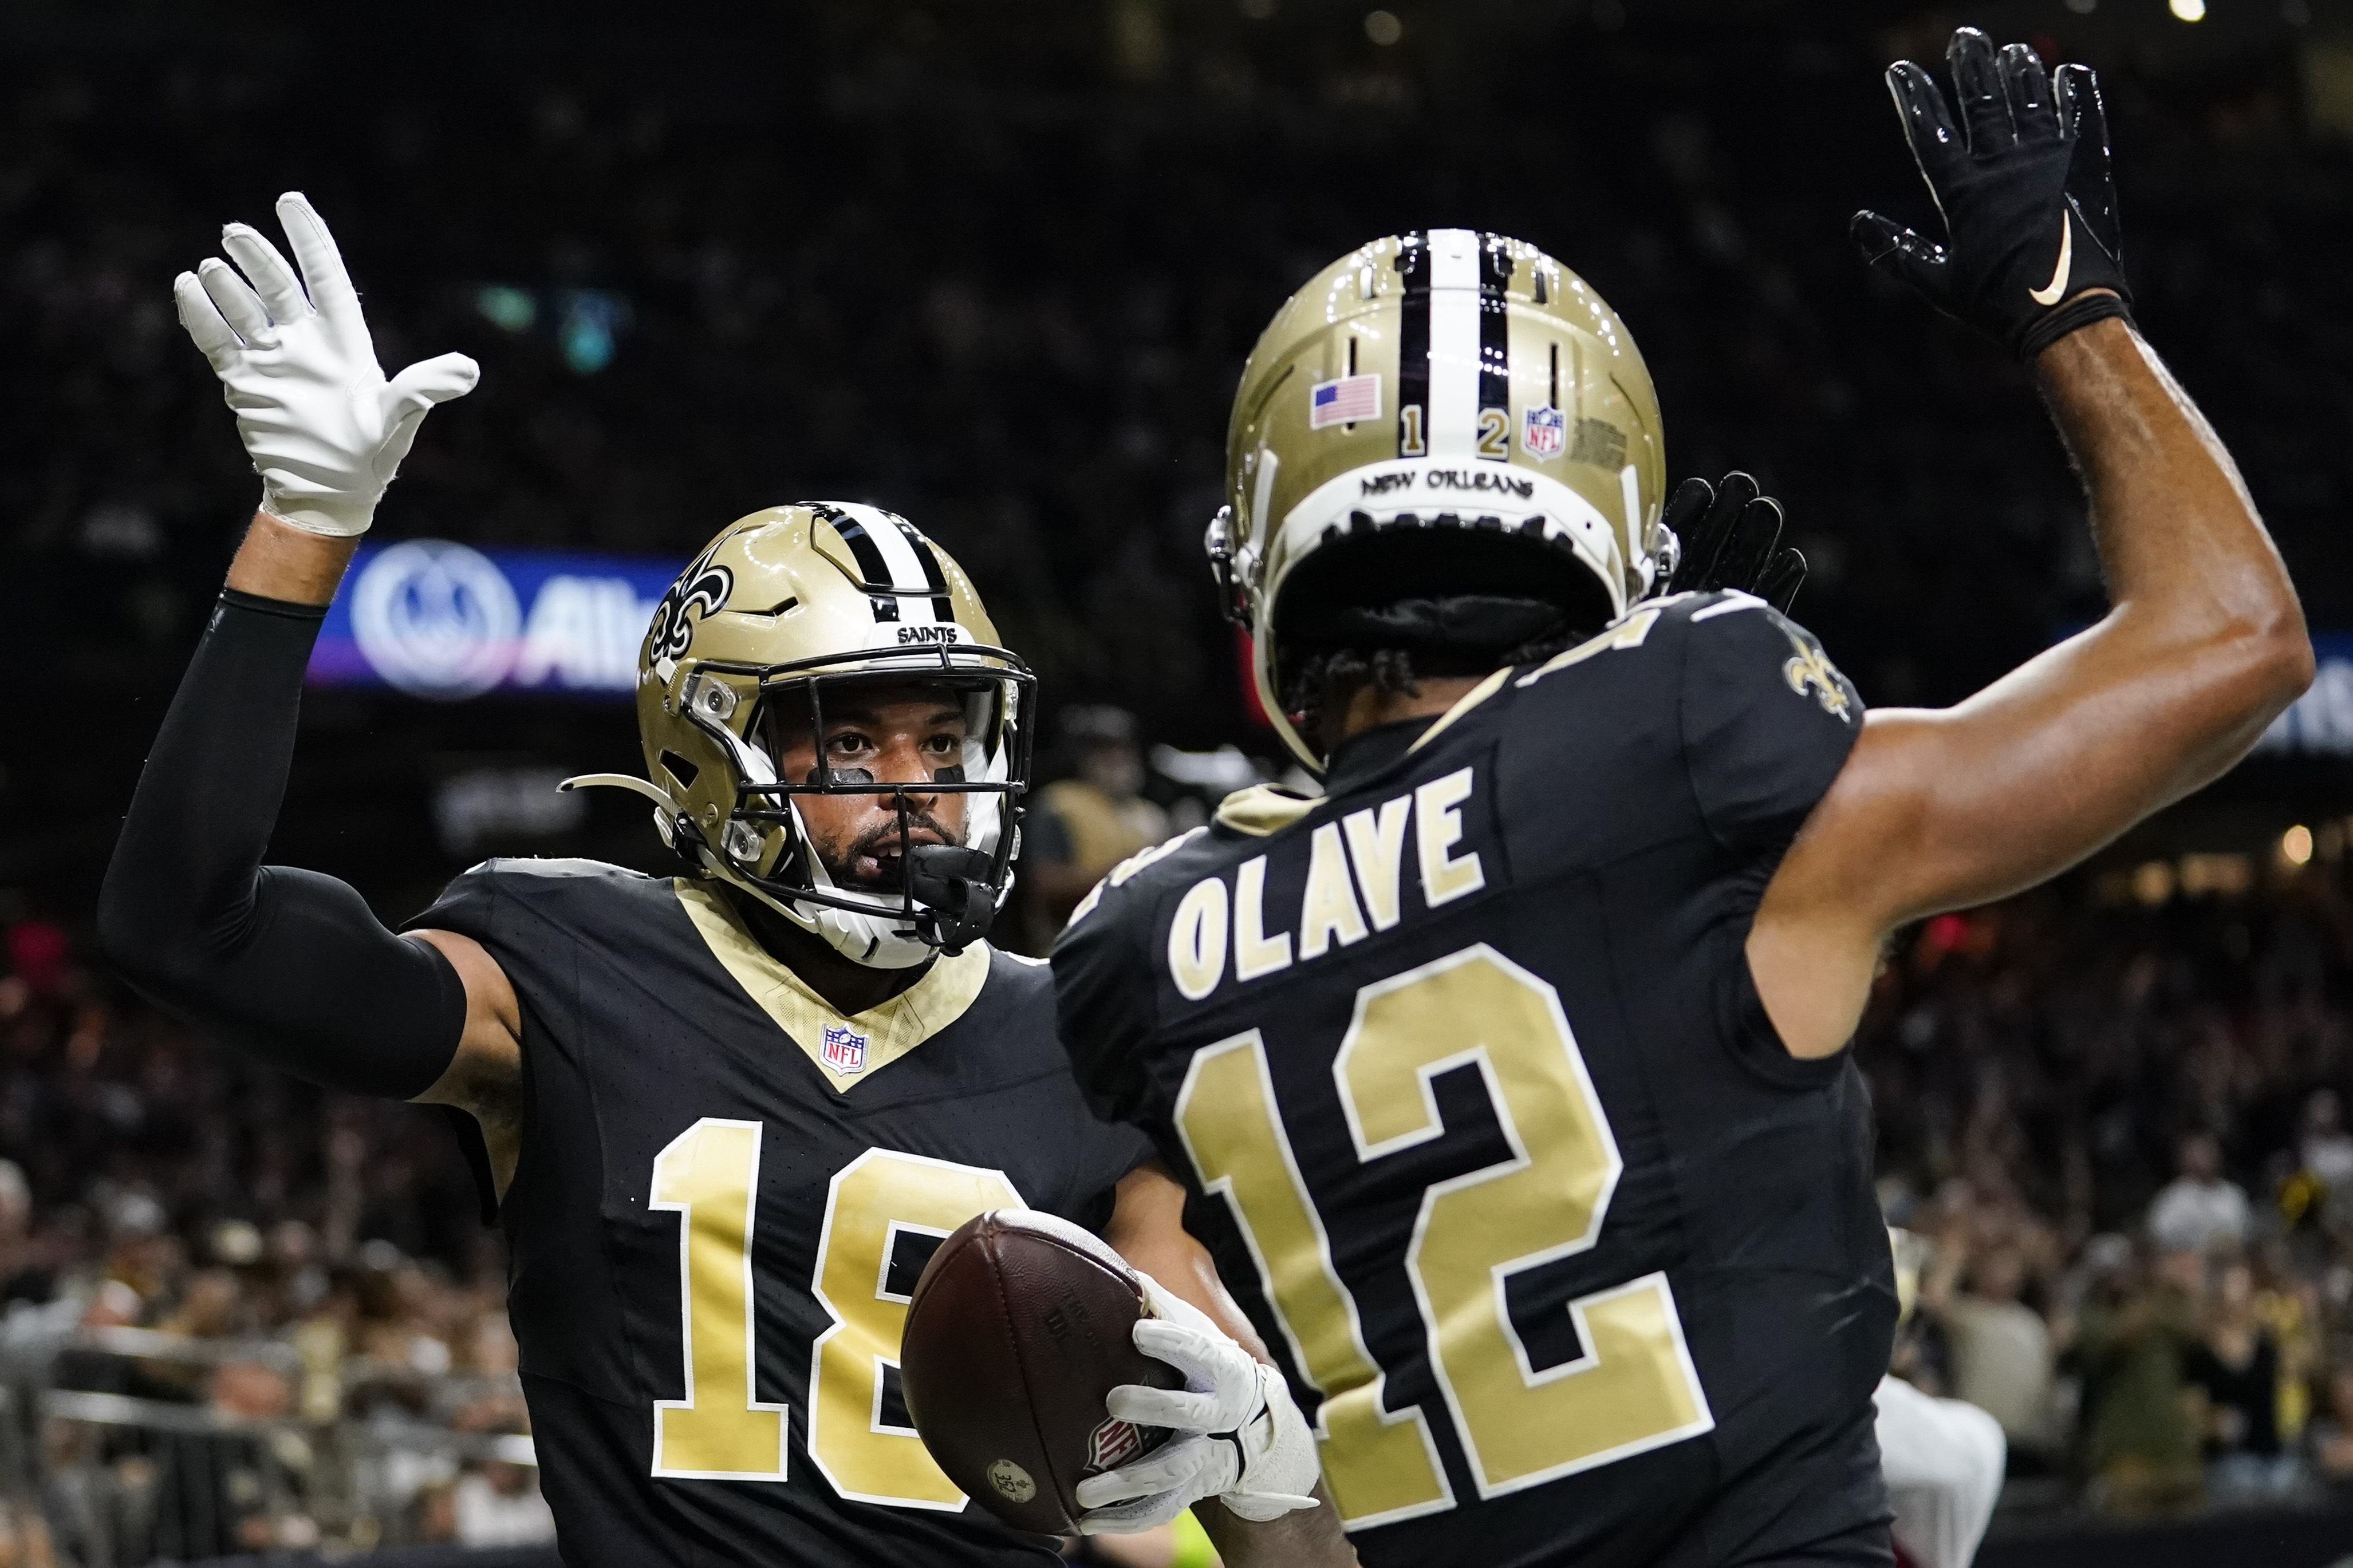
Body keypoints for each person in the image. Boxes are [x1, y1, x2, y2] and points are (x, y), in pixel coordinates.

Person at [1051, 28, 2307, 1568]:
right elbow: (2230, 641)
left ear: (1261, 554)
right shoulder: (1686, 732)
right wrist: (2071, 310)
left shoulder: (1144, 941)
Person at [96, 196, 1344, 1568]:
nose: (915, 784)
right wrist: (303, 528)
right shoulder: (568, 961)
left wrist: (1275, 1470)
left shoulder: (1092, 1034)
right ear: (711, 758)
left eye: (947, 738)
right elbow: (187, 930)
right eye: (854, 739)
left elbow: (1272, 1534)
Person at [1027, 708, 1174, 934]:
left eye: (1122, 747)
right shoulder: (1060, 803)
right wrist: (1126, 871)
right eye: (1102, 749)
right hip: (1075, 941)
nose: (1116, 757)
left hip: (1141, 944)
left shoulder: (1151, 814)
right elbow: (1048, 888)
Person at [2146, 1132, 2248, 1258]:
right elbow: (2160, 1235)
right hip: (2187, 1263)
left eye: (2208, 1153)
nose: (2204, 1160)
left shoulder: (2233, 1194)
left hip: (2229, 1262)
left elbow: (2245, 1232)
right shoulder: (2173, 1198)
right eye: (2198, 1154)